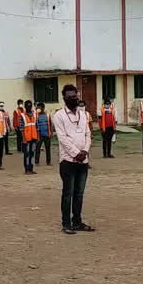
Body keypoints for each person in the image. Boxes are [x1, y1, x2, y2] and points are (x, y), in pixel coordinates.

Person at [53, 85, 95, 235]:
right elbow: (62, 138)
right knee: (68, 193)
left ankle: (77, 221)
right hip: (68, 162)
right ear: (64, 98)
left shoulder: (83, 115)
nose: (73, 99)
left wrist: (85, 151)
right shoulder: (59, 116)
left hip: (82, 161)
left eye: (75, 96)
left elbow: (88, 134)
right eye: (70, 97)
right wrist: (76, 153)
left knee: (79, 193)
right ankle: (66, 223)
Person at [19, 100, 39, 174]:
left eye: (30, 105)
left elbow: (37, 126)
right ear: (25, 106)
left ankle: (31, 168)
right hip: (26, 138)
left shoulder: (34, 114)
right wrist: (23, 138)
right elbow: (21, 128)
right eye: (27, 105)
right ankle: (27, 169)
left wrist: (38, 136)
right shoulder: (22, 116)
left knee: (32, 153)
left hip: (34, 137)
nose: (29, 107)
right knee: (27, 154)